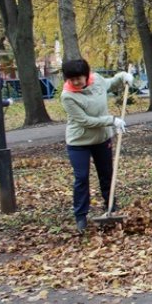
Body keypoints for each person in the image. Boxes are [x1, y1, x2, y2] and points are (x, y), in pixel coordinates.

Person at [60, 59, 132, 234]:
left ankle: (111, 207)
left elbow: (111, 83)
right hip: (79, 142)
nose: (76, 82)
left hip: (101, 139)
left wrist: (124, 76)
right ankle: (81, 216)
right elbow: (85, 121)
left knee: (106, 174)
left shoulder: (97, 80)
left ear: (87, 74)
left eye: (79, 78)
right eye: (71, 79)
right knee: (82, 177)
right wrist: (112, 120)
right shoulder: (68, 96)